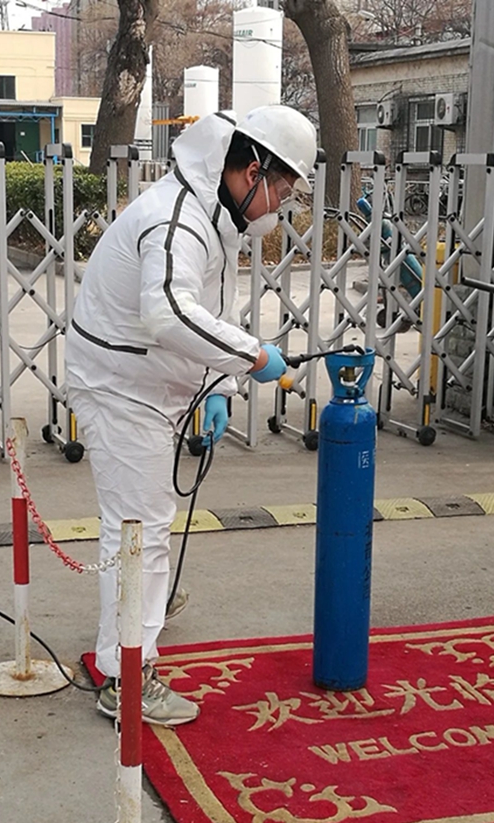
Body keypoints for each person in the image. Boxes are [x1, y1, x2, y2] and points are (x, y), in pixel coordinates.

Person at [65, 104, 317, 726]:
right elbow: (168, 313)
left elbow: (205, 312)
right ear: (252, 171)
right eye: (283, 190)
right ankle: (125, 675)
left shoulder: (211, 213)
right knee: (138, 530)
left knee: (142, 526)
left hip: (148, 384)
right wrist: (253, 355)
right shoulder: (177, 217)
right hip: (121, 387)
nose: (280, 206)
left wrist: (219, 385)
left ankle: (135, 619)